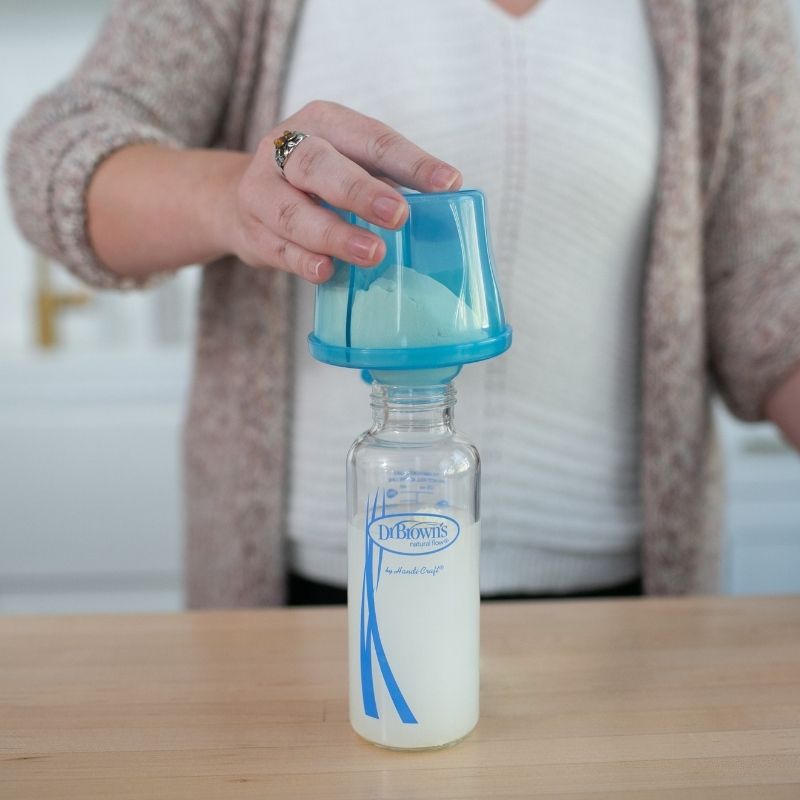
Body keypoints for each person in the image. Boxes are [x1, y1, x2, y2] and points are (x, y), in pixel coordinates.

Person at [7, 0, 800, 607]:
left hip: (625, 609)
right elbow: (58, 152)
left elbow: (772, 290)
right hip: (304, 595)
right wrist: (239, 198)